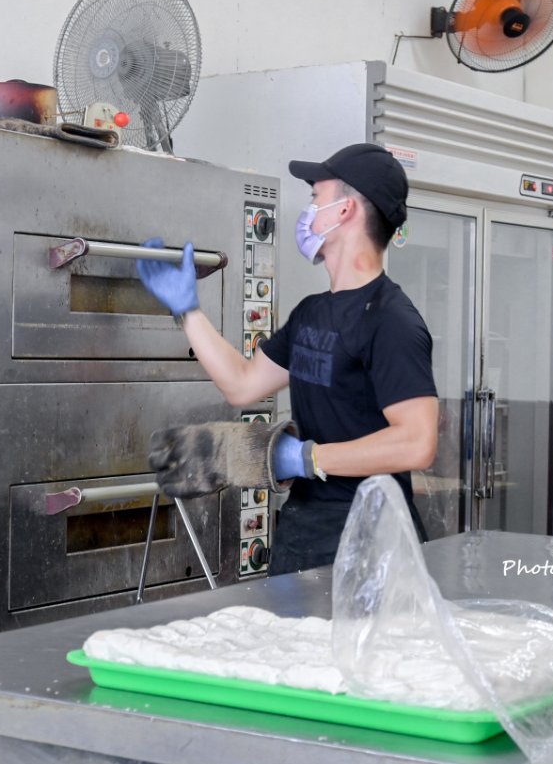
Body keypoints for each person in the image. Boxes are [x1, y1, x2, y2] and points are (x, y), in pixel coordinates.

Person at [136, 143, 438, 575]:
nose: (309, 210)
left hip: (373, 540)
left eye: (316, 198)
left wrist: (308, 459)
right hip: (307, 529)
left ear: (344, 211)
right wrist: (189, 312)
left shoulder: (391, 320)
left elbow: (417, 442)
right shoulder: (312, 312)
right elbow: (242, 385)